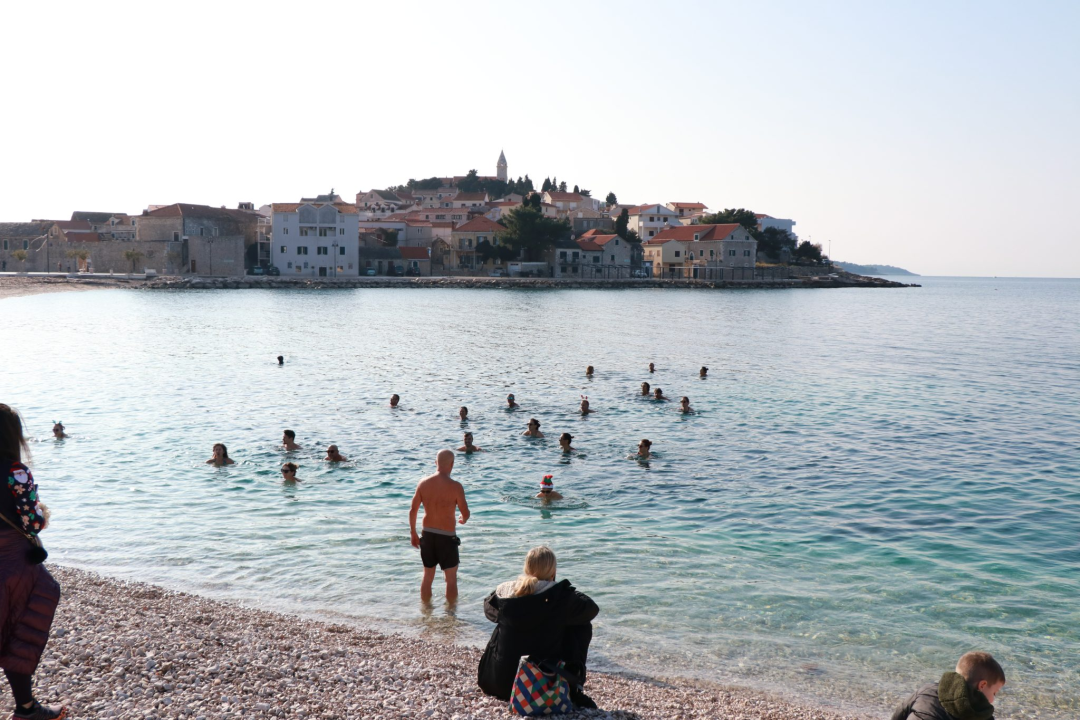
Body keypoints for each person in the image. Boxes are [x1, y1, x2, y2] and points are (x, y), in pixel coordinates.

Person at [0, 404, 66, 720]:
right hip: (13, 564)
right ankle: (26, 709)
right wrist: (42, 513)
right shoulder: (16, 472)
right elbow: (31, 523)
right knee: (21, 629)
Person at [477, 546, 598, 709]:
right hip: (540, 688)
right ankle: (573, 689)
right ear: (553, 571)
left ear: (526, 569)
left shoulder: (505, 593)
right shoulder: (560, 599)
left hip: (499, 684)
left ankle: (502, 669)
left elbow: (488, 609)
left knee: (503, 618)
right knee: (581, 625)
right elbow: (591, 608)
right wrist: (563, 590)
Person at [409, 450, 470, 602]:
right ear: (452, 465)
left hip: (427, 535)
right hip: (447, 538)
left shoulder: (423, 483)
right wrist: (463, 518)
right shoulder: (456, 486)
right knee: (450, 579)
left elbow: (413, 510)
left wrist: (413, 533)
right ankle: (450, 615)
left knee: (427, 576)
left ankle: (426, 611)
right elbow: (465, 512)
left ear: (436, 463)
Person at [890, 651, 1005, 720]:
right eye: (994, 692)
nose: (993, 699)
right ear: (982, 685)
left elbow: (900, 712)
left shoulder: (927, 689)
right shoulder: (980, 712)